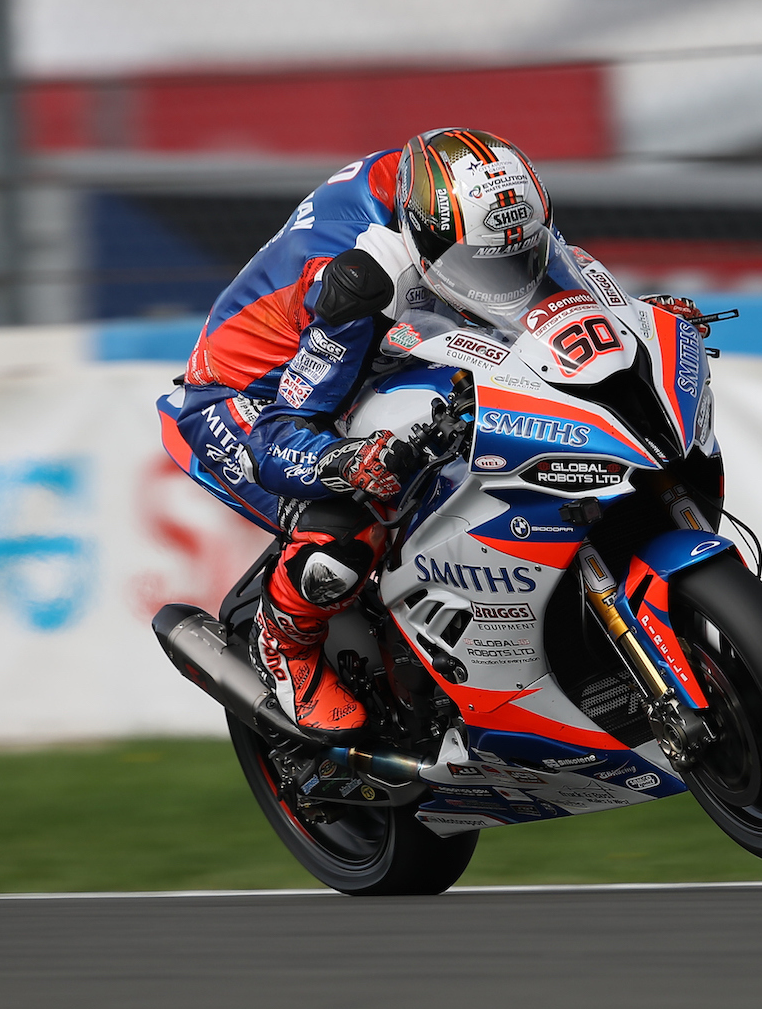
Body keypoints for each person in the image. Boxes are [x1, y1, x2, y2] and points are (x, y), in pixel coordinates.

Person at [159, 127, 700, 738]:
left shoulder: (480, 204)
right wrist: (344, 461)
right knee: (356, 506)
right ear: (425, 241)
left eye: (518, 256)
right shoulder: (359, 280)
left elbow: (556, 286)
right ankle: (285, 645)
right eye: (482, 266)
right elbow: (286, 427)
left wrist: (634, 319)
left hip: (376, 352)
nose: (508, 276)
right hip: (243, 401)